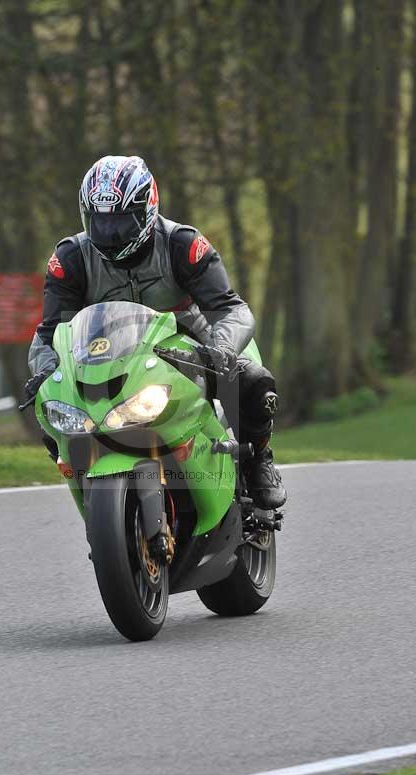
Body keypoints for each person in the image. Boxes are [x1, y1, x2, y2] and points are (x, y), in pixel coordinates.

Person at [26, 155, 286, 510]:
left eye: (121, 223)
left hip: (190, 345)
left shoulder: (184, 245)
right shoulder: (69, 260)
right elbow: (49, 333)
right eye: (101, 224)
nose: (111, 235)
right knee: (52, 407)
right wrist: (45, 370)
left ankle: (259, 461)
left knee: (252, 380)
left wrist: (221, 350)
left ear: (148, 208)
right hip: (109, 356)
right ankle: (87, 484)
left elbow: (231, 309)